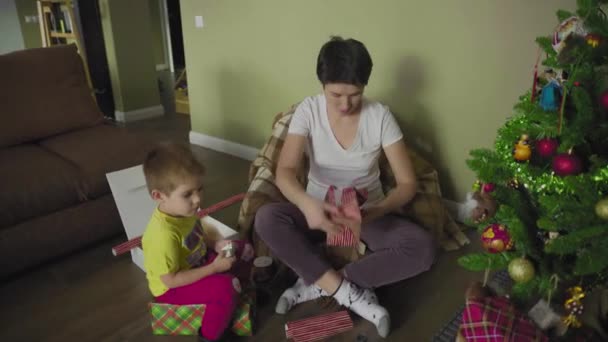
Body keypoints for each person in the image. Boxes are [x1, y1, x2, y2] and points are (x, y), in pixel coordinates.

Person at [254, 36, 436, 338]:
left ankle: (322, 283)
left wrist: (373, 212)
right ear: (322, 84)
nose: (345, 104)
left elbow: (407, 184)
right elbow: (284, 172)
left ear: (364, 86)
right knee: (267, 218)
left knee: (423, 248)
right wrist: (307, 204)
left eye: (354, 94)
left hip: (365, 215)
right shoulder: (308, 111)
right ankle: (351, 294)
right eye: (335, 94)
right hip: (317, 212)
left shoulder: (380, 116)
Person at [141, 142, 253, 341]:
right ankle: (210, 335)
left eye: (199, 189)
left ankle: (241, 298)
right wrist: (214, 269)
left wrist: (214, 244)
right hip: (172, 289)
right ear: (159, 196)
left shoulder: (184, 210)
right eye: (188, 194)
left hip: (199, 261)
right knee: (225, 287)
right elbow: (171, 280)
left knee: (243, 249)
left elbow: (197, 237)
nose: (197, 199)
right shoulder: (162, 235)